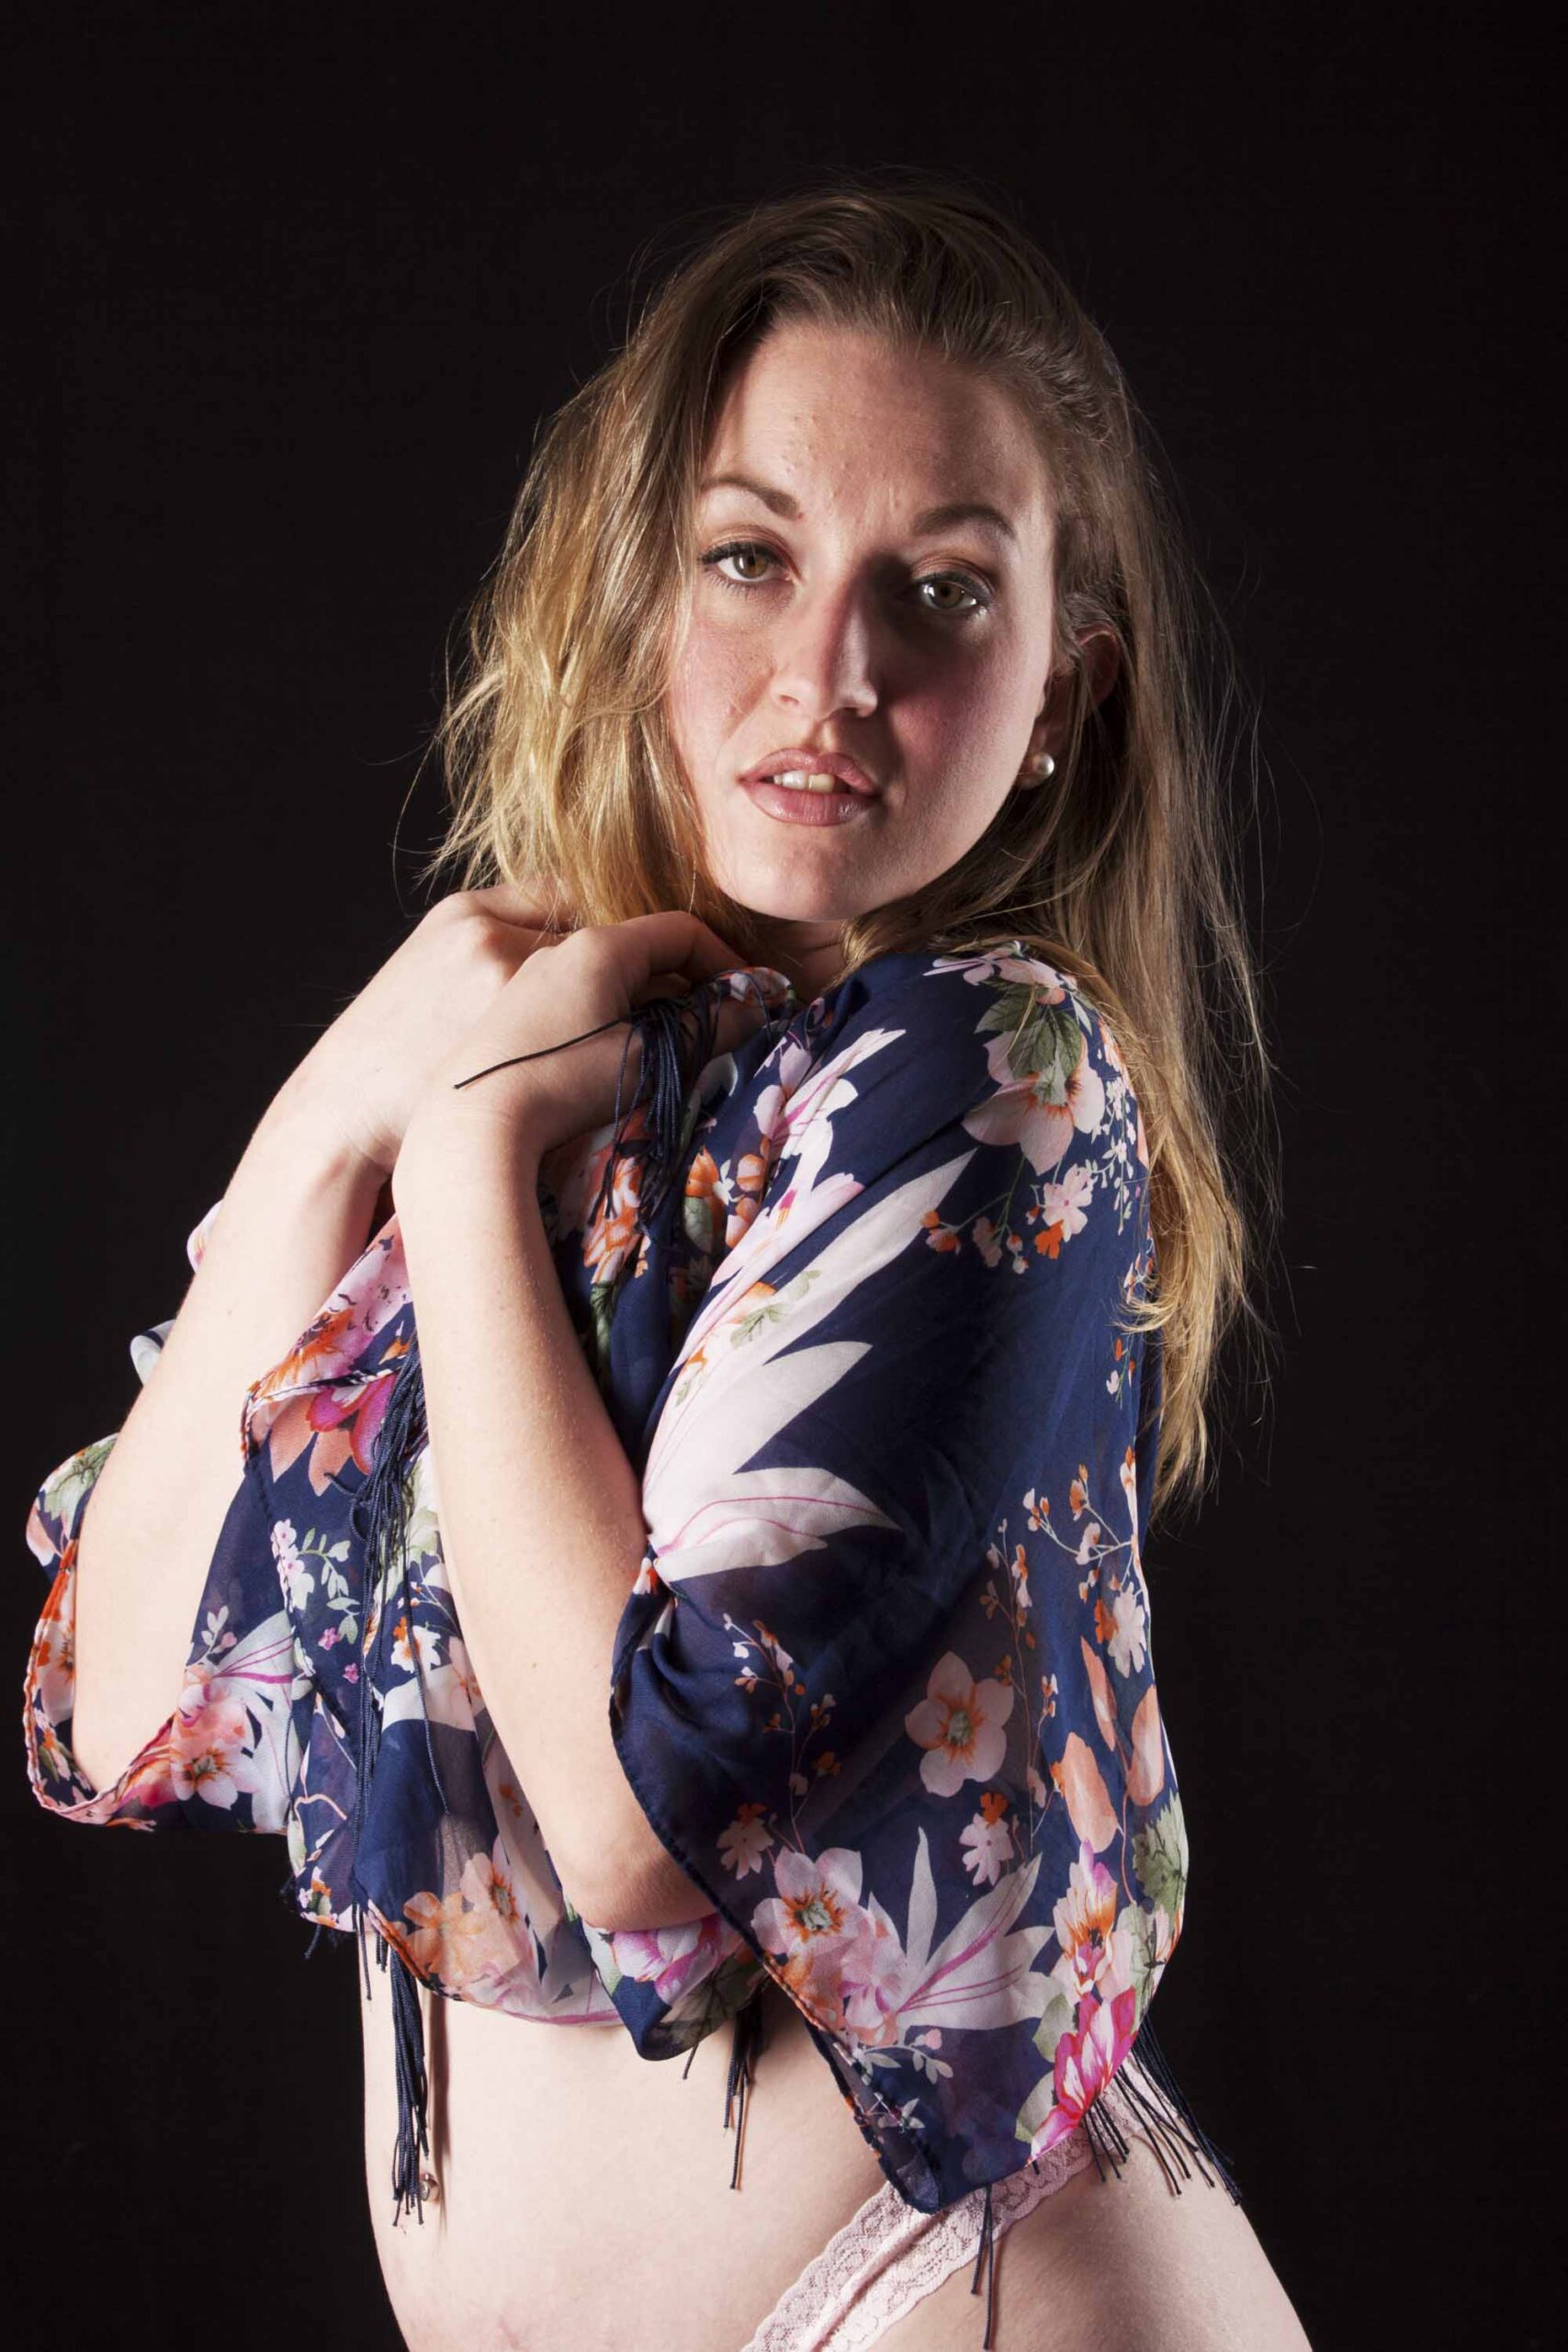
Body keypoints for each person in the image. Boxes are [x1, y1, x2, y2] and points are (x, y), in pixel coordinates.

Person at [24, 173, 1313, 2349]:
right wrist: (339, 1107)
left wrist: (453, 1159)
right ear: (637, 589)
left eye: (938, 589)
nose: (829, 673)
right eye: (749, 556)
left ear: (1059, 690)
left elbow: (638, 1830)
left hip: (938, 2297)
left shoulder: (984, 1073)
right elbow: (117, 1695)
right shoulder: (521, 1037)